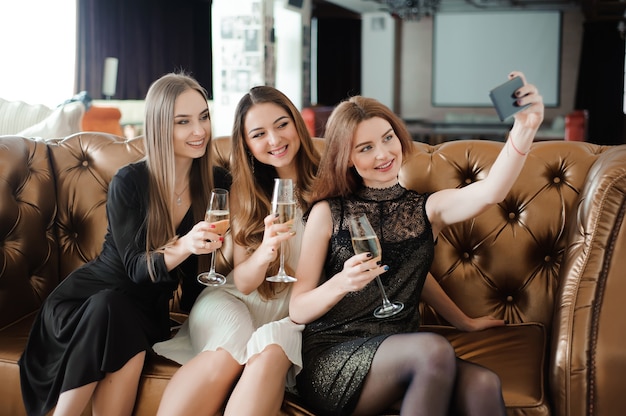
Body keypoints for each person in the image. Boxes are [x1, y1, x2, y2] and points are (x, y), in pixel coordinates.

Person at [290, 71, 544, 416]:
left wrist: (525, 128)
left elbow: (489, 193)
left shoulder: (426, 207)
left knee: (484, 383)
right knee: (432, 350)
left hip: (402, 351)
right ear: (347, 157)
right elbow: (298, 308)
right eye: (366, 148)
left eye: (388, 138)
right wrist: (340, 283)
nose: (383, 154)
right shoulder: (328, 212)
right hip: (335, 354)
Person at [18, 72, 230, 416]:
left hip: (144, 312)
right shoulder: (130, 182)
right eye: (183, 122)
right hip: (82, 306)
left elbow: (196, 279)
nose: (199, 131)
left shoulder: (216, 182)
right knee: (110, 307)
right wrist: (187, 244)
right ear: (161, 126)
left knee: (117, 311)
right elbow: (135, 268)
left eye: (203, 117)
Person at [153, 86, 321, 415]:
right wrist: (265, 253)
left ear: (297, 124)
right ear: (246, 144)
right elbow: (243, 283)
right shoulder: (245, 194)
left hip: (289, 316)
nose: (274, 140)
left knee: (272, 343)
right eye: (259, 134)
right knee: (233, 341)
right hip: (232, 301)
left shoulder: (330, 184)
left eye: (282, 124)